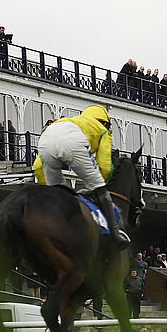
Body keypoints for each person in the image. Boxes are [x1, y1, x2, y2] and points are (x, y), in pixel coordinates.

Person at [32, 104, 130, 249]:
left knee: (58, 195)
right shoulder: (102, 130)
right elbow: (105, 165)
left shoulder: (67, 121)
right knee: (100, 188)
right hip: (74, 142)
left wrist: (47, 186)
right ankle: (115, 234)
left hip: (46, 139)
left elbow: (38, 167)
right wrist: (98, 185)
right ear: (104, 123)